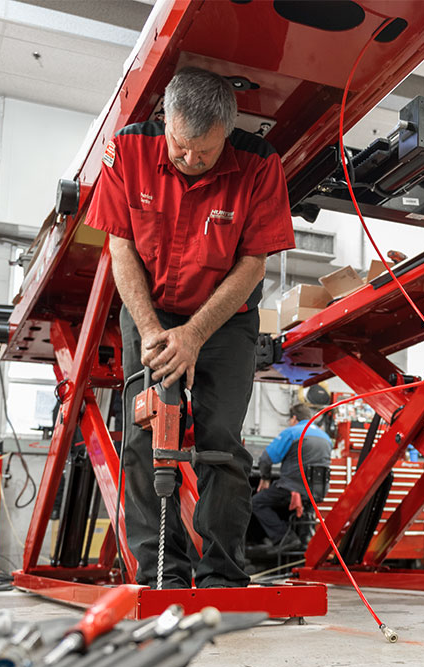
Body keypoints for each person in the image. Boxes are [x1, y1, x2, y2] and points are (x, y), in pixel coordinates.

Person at [85, 67, 295, 589]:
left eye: (205, 152)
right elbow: (119, 246)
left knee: (221, 440)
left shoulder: (259, 164)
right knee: (143, 438)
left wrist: (196, 335)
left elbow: (253, 263)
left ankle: (223, 574)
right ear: (166, 120)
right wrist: (155, 331)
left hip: (224, 322)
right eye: (181, 146)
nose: (191, 160)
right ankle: (164, 574)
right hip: (149, 313)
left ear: (229, 130)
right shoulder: (128, 151)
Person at [250, 404, 332, 552]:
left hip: (292, 488)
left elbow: (265, 459)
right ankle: (303, 541)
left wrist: (265, 478)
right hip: (315, 492)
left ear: (294, 418)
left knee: (256, 502)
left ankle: (283, 537)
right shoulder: (325, 437)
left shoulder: (292, 432)